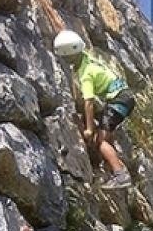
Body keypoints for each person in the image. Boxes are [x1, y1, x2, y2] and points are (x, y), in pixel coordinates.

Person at [53, 29, 135, 190]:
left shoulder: (85, 74)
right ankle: (111, 162)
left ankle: (120, 175)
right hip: (125, 97)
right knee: (106, 132)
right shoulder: (87, 58)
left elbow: (88, 102)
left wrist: (89, 129)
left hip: (117, 100)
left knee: (100, 140)